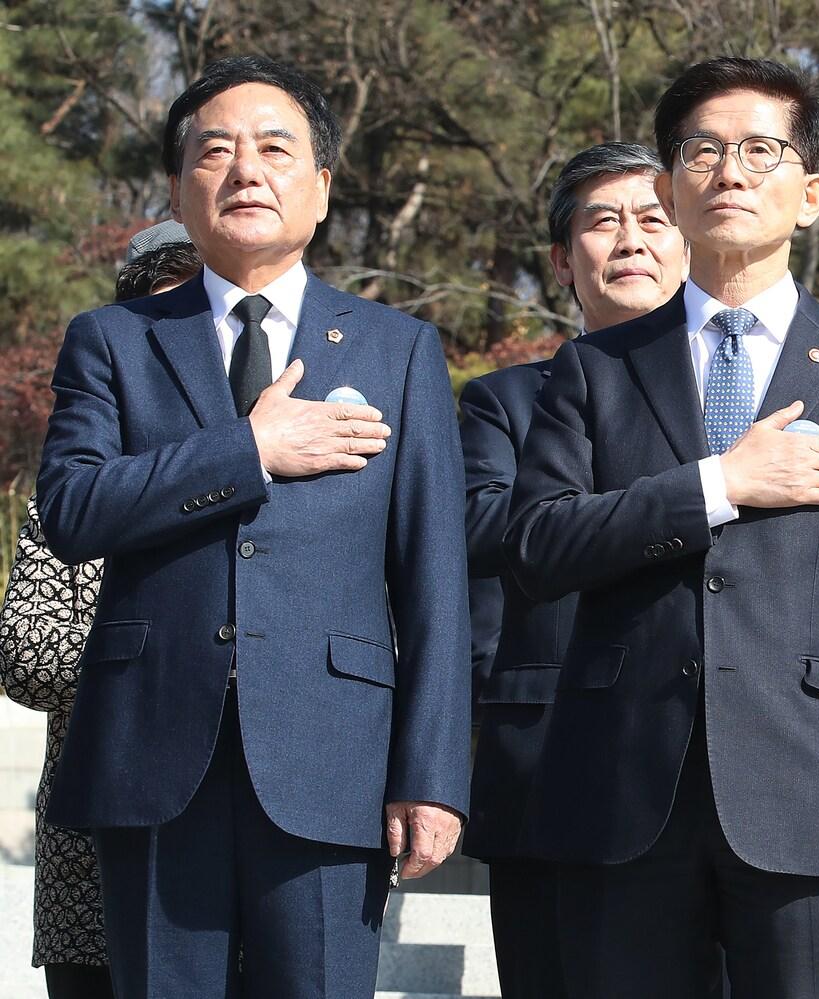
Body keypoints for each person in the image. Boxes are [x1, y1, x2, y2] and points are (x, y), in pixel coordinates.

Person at [504, 56, 819, 999]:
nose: (729, 172)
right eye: (702, 151)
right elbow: (538, 546)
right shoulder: (596, 368)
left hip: (813, 800)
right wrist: (719, 483)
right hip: (622, 793)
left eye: (759, 150)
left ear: (811, 195)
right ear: (672, 191)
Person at [35, 56, 471, 999]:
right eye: (215, 151)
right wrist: (250, 448)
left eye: (276, 148)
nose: (245, 170)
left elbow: (435, 580)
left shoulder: (398, 349)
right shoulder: (113, 339)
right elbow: (71, 509)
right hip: (153, 754)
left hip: (333, 756)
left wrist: (432, 774)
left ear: (321, 186)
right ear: (177, 190)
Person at [459, 141, 686, 997]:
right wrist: (683, 499)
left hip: (710, 755)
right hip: (548, 757)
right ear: (562, 260)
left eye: (654, 218)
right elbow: (483, 525)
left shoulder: (743, 394)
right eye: (604, 221)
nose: (631, 238)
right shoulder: (503, 400)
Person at [0, 223, 201, 999]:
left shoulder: (282, 465)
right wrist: (181, 652)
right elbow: (26, 652)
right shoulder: (79, 492)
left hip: (246, 857)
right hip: (92, 863)